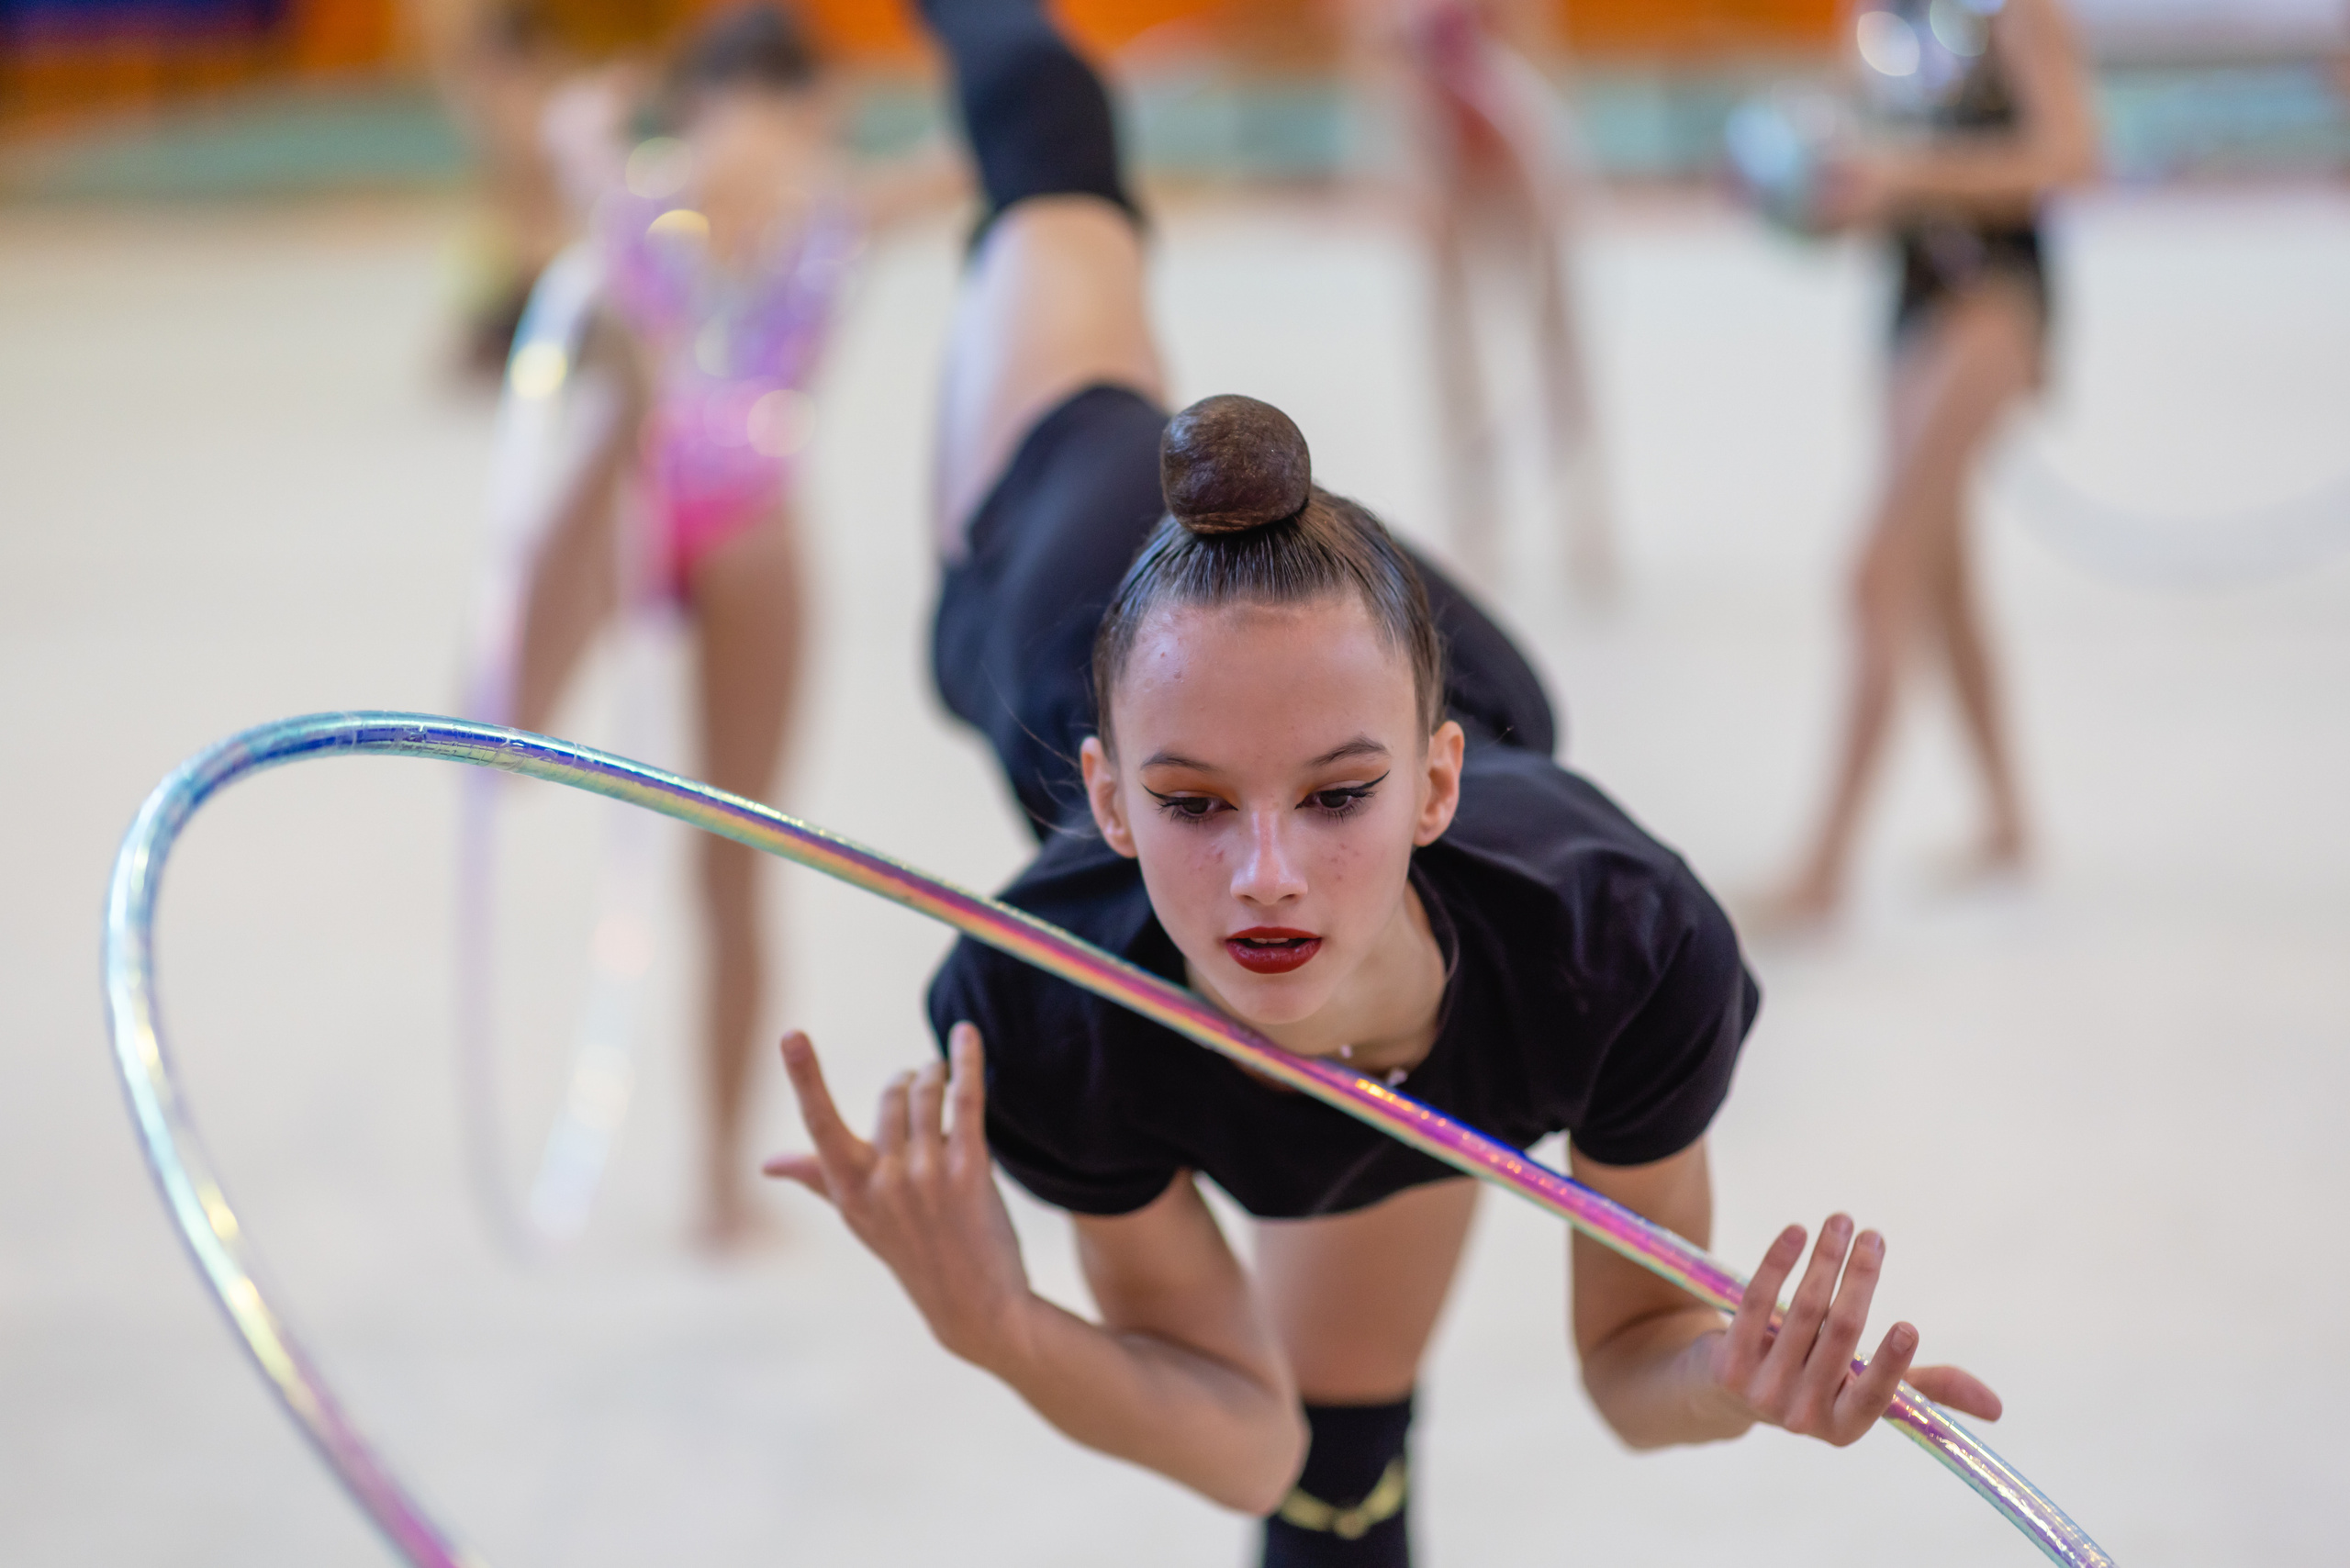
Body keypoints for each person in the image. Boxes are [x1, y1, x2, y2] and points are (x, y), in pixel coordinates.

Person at [763, 0, 2002, 1561]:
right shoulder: (1052, 993)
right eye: (1194, 807)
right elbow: (1231, 1426)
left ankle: (1299, 735)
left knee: (1349, 1452)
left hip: (1434, 734)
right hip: (1055, 544)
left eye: (1339, 802)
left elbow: (1629, 1370)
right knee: (1050, 139)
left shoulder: (1609, 948)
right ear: (1115, 797)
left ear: (1430, 789)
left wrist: (1739, 1379)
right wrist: (997, 1319)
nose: (1266, 874)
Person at [506, 2, 951, 1249]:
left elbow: (567, 134)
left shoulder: (649, 181)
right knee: (731, 865)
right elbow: (985, 155)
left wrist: (587, 127)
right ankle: (714, 1184)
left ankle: (716, 1176)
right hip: (746, 507)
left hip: (644, 486)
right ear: (807, 94)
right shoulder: (833, 192)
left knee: (508, 730)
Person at [1762, 0, 2098, 925]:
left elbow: (2068, 153)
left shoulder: (2016, 14)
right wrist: (1801, 194)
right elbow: (1864, 177)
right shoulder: (1873, 17)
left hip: (1991, 303)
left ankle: (1822, 869)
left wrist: (1904, 176)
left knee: (1879, 568)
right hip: (1910, 311)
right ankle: (2008, 825)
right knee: (1943, 580)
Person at [1360, 0, 1611, 593]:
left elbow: (1536, 54)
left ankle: (1585, 521)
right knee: (1455, 362)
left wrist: (1550, 181)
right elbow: (1379, 67)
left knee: (1557, 347)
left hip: (1516, 146)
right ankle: (1475, 527)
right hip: (1445, 155)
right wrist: (1412, 174)